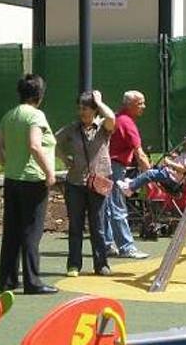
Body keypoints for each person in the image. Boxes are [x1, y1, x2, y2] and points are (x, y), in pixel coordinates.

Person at [0, 74, 58, 295]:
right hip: (32, 180)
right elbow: (35, 145)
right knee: (31, 231)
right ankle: (33, 282)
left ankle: (7, 280)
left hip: (12, 179)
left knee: (12, 231)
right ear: (40, 94)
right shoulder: (36, 116)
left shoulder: (10, 115)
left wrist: (8, 165)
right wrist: (49, 172)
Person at [56, 90, 115, 277]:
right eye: (80, 108)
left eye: (86, 108)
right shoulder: (72, 129)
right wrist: (65, 159)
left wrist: (99, 101)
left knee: (98, 226)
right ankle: (74, 265)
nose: (82, 112)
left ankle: (101, 264)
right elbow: (52, 141)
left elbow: (112, 118)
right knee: (75, 225)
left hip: (98, 183)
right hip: (75, 183)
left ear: (94, 110)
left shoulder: (103, 128)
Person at [101, 90, 150, 259]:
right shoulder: (127, 123)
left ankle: (107, 245)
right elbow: (140, 154)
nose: (144, 107)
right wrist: (151, 177)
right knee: (117, 206)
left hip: (105, 167)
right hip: (114, 168)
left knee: (107, 207)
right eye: (140, 103)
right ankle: (126, 247)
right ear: (129, 105)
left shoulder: (118, 119)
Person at [118, 130, 186, 196]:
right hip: (168, 174)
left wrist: (170, 163)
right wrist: (175, 158)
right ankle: (134, 183)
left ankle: (130, 188)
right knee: (150, 167)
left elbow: (184, 169)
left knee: (150, 174)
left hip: (171, 179)